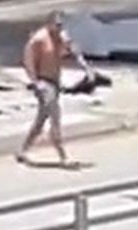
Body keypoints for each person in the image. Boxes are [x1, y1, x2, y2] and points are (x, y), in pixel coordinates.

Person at [16, 10, 94, 167]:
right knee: (55, 116)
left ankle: (22, 151)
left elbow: (71, 54)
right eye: (57, 24)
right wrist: (35, 81)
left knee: (41, 120)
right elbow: (28, 61)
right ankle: (63, 156)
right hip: (44, 83)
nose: (59, 28)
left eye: (61, 25)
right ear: (49, 23)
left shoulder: (60, 39)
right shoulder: (39, 40)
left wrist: (86, 68)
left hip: (55, 82)